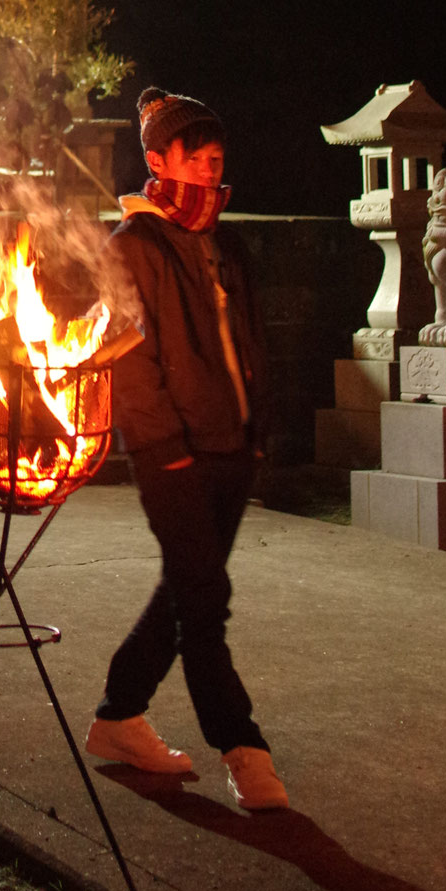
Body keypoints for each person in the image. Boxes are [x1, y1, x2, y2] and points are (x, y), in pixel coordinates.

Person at [85, 86, 289, 813]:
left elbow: (252, 343)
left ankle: (117, 716)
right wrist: (161, 447)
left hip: (234, 445)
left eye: (216, 157)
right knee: (206, 599)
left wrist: (259, 431)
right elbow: (127, 362)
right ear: (157, 159)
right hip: (172, 454)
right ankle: (243, 747)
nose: (209, 167)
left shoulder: (225, 243)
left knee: (185, 590)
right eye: (195, 156)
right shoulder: (130, 247)